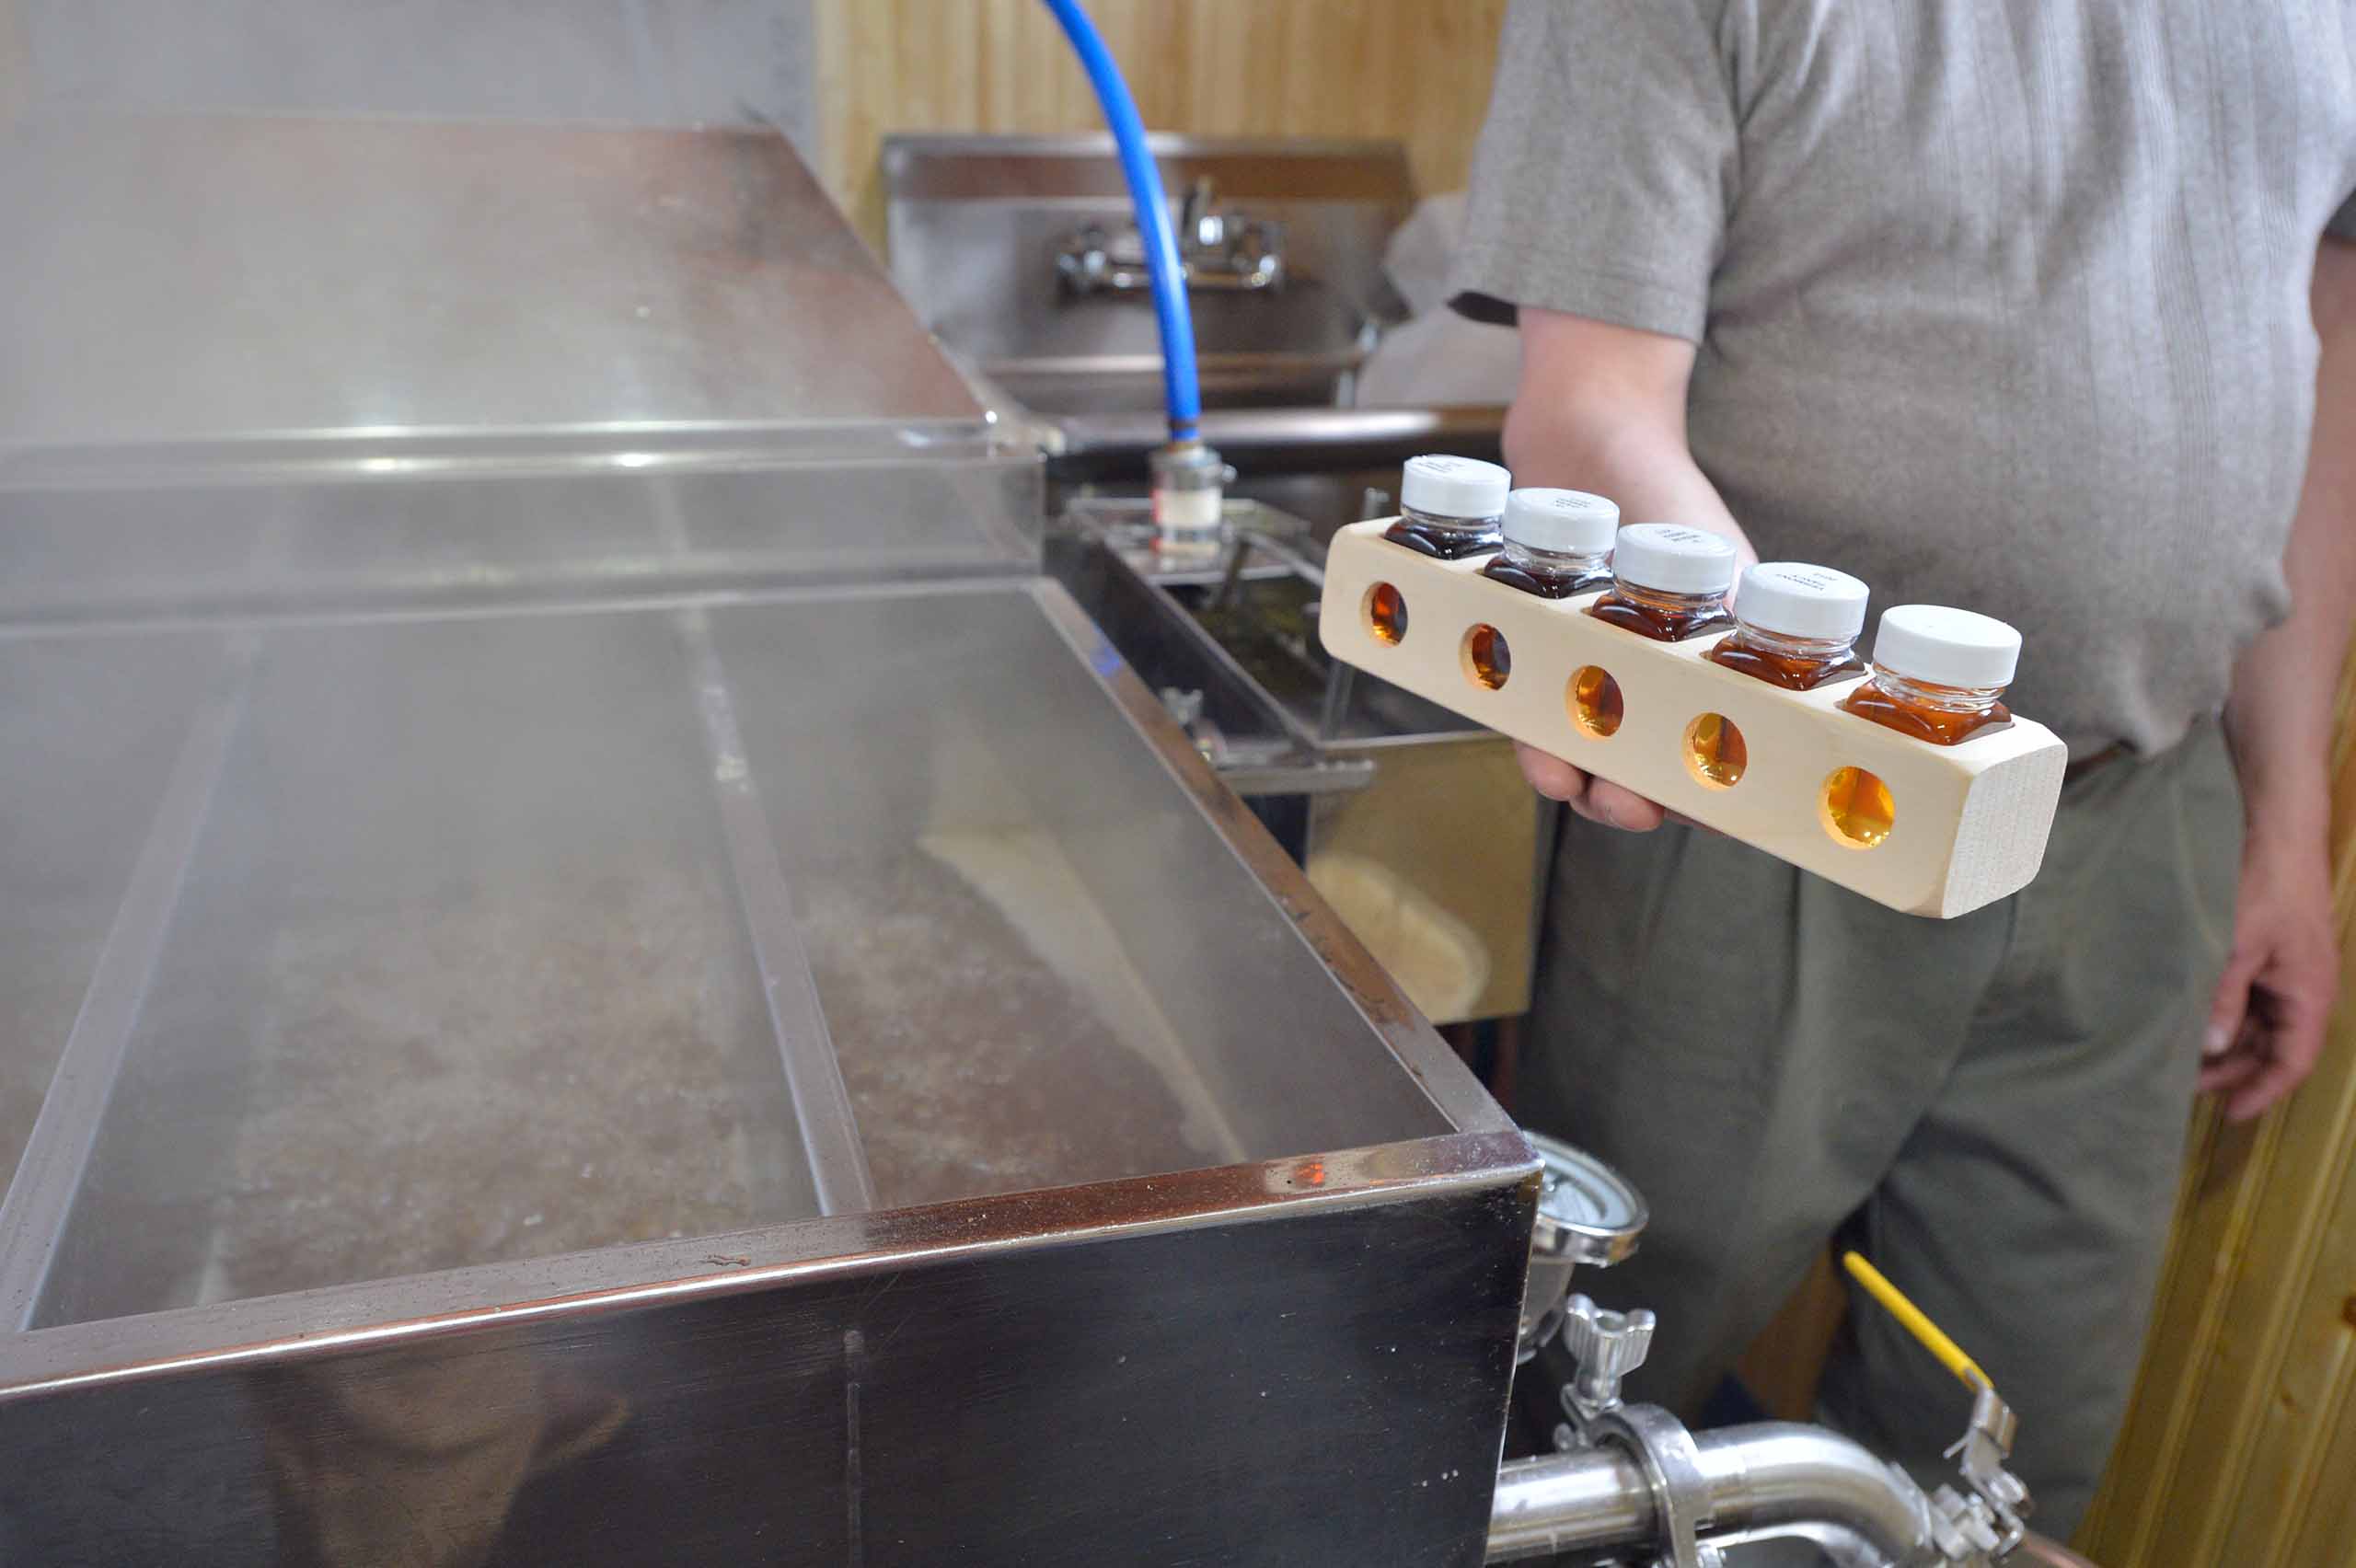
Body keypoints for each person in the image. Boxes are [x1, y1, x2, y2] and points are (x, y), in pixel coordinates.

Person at [1448, 0, 2356, 1539]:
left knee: (1996, 1467)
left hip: (2140, 814)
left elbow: (2323, 345)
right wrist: (1802, 737)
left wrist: (2286, 809)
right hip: (1757, 815)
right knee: (1584, 1431)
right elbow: (1590, 410)